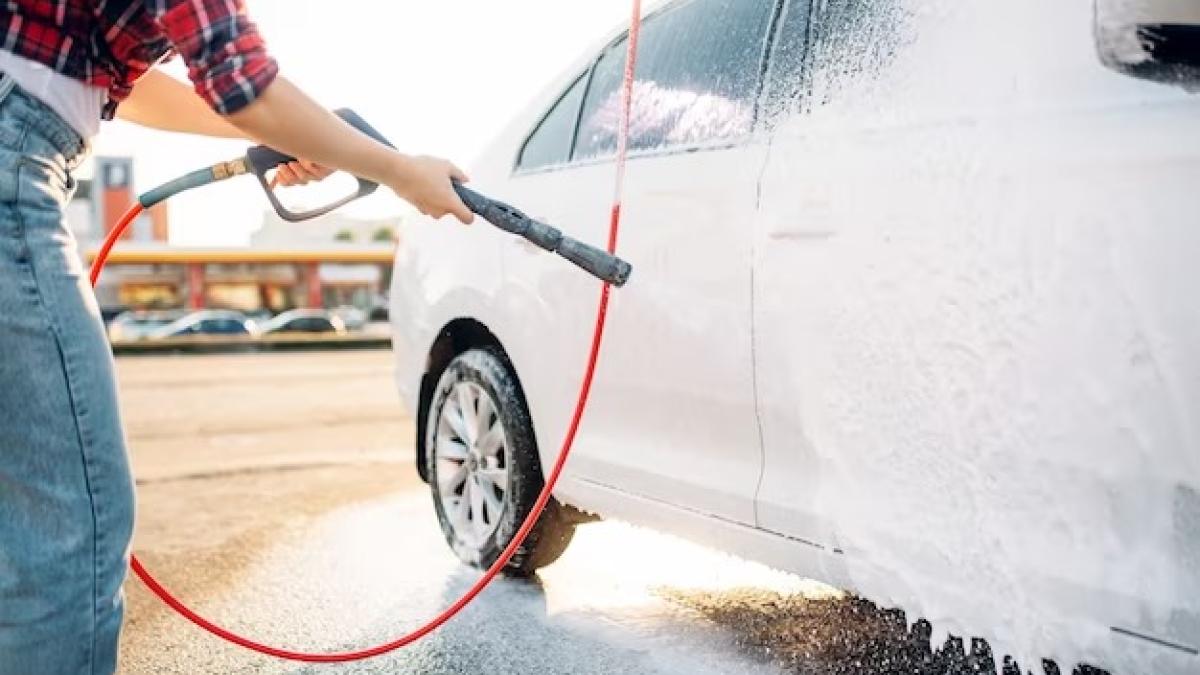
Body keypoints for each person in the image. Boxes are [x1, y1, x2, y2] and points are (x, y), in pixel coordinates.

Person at [0, 2, 473, 673]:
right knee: (69, 537)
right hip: (13, 158)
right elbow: (243, 83)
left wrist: (311, 134)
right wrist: (399, 169)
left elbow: (134, 90)